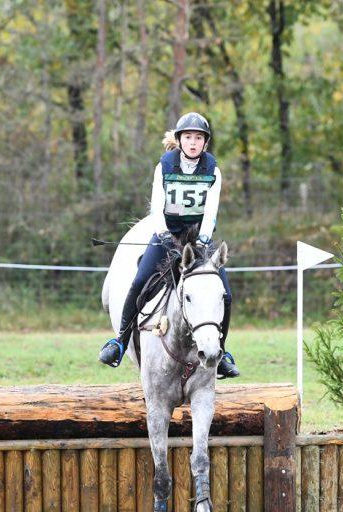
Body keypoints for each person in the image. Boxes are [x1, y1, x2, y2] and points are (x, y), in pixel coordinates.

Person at [99, 112, 239, 378]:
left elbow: (211, 211)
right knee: (140, 281)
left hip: (198, 238)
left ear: (205, 143)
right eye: (188, 137)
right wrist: (163, 233)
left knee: (226, 294)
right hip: (167, 234)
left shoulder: (213, 170)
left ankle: (222, 352)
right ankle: (119, 341)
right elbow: (157, 205)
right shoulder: (164, 165)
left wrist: (205, 238)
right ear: (179, 140)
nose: (193, 142)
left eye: (198, 138)